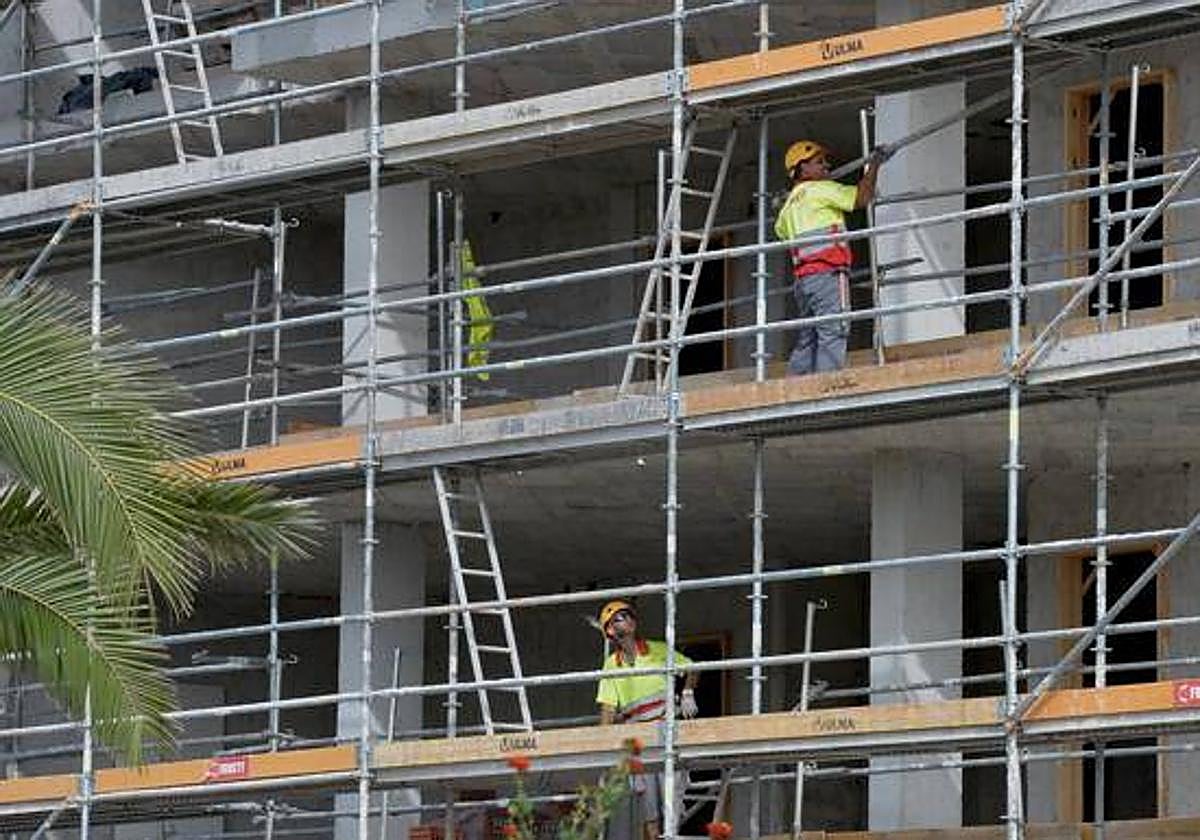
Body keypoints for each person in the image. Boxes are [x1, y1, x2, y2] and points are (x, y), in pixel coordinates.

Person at [774, 140, 884, 376]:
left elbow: (781, 232)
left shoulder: (787, 209)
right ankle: (827, 389)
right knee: (834, 329)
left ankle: (798, 387)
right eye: (819, 162)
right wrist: (875, 165)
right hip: (828, 275)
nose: (827, 166)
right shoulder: (820, 189)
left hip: (804, 283)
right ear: (802, 170)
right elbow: (862, 197)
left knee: (809, 336)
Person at [595, 599, 698, 840]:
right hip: (639, 743)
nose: (627, 620)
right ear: (610, 630)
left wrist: (687, 692)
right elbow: (608, 711)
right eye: (619, 618)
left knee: (672, 807)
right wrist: (600, 749)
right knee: (649, 812)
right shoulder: (611, 666)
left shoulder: (656, 650)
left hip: (665, 734)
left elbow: (692, 667)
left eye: (628, 615)